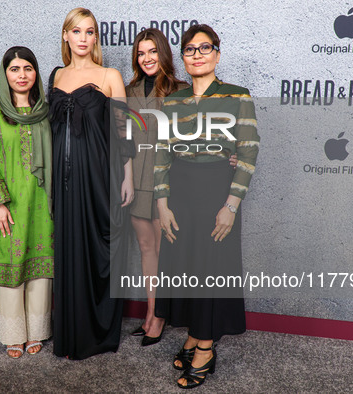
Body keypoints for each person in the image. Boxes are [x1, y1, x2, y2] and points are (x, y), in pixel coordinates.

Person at [154, 24, 259, 388]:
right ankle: (194, 333)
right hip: (179, 192)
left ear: (217, 53)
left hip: (217, 191)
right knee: (184, 264)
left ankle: (205, 348)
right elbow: (161, 156)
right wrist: (162, 204)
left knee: (211, 266)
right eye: (189, 49)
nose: (197, 54)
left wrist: (231, 205)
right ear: (182, 58)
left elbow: (247, 153)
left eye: (205, 48)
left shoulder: (236, 96)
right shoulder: (171, 101)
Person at [126, 28, 237, 347]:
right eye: (141, 52)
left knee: (165, 254)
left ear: (165, 54)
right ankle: (149, 312)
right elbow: (122, 139)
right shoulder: (128, 89)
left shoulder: (182, 90)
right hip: (136, 179)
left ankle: (160, 316)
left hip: (169, 184)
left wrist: (229, 155)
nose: (147, 58)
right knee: (146, 250)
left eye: (153, 52)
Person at [48, 7, 134, 360]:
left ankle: (96, 334)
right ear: (66, 36)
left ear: (96, 38)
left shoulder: (110, 75)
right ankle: (70, 333)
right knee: (68, 249)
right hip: (63, 179)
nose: (83, 38)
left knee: (100, 248)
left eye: (90, 32)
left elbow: (123, 130)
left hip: (99, 174)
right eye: (76, 31)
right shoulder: (54, 76)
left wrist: (127, 175)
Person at [0, 46, 53, 359]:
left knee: (42, 265)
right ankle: (13, 334)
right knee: (12, 264)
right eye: (15, 69)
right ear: (4, 74)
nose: (22, 75)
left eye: (28, 69)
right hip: (10, 204)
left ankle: (37, 331)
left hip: (43, 202)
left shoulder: (46, 111)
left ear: (35, 74)